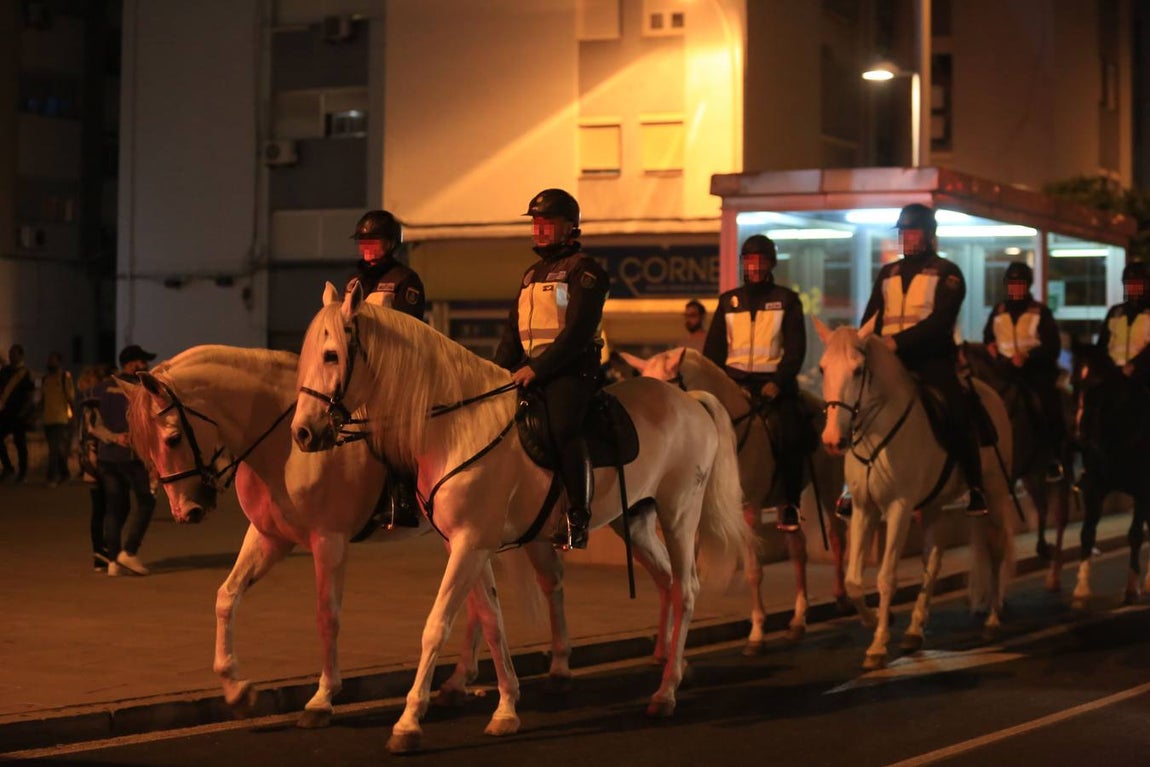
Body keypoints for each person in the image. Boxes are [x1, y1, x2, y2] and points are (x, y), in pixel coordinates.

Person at [494, 188, 610, 550]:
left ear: (570, 227)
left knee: (563, 428)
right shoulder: (530, 274)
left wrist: (539, 369)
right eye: (536, 223)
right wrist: (493, 373)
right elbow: (512, 333)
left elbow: (578, 332)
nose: (539, 230)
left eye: (548, 223)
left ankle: (578, 516)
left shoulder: (585, 271)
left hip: (572, 370)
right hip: (533, 369)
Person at [861, 203, 988, 515]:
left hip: (930, 361)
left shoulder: (948, 273)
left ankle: (975, 486)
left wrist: (897, 342)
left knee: (956, 409)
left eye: (913, 232)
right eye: (903, 232)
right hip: (888, 363)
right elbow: (871, 318)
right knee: (855, 409)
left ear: (930, 235)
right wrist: (862, 344)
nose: (907, 238)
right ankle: (853, 488)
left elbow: (940, 322)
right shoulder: (887, 273)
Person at [703, 234, 808, 532]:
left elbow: (796, 350)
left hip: (773, 387)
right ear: (743, 264)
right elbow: (713, 353)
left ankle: (790, 504)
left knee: (792, 434)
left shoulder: (787, 300)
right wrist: (722, 385)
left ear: (771, 263)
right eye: (750, 261)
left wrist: (778, 382)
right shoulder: (728, 302)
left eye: (761, 261)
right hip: (734, 385)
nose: (755, 267)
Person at [345, 209, 426, 528]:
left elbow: (409, 330)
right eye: (363, 242)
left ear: (391, 244)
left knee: (393, 434)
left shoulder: (405, 281)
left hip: (394, 372)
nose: (367, 248)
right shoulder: (354, 283)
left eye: (374, 241)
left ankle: (404, 498)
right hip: (359, 375)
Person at [982, 261, 1066, 481]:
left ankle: (1054, 458)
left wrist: (1028, 357)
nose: (1016, 289)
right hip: (1004, 372)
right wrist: (990, 345)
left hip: (1033, 374)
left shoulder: (1040, 312)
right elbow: (988, 335)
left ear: (1027, 285)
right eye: (1012, 284)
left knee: (1048, 407)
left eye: (1020, 284)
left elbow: (1052, 346)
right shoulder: (998, 310)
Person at [91, 345, 158, 576]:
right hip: (131, 457)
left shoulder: (102, 388)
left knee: (115, 507)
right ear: (131, 364)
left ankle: (112, 562)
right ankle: (128, 552)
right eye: (142, 361)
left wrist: (111, 438)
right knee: (146, 502)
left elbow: (92, 425)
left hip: (107, 458)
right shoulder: (140, 389)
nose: (146, 365)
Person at [77, 364, 111, 571]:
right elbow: (94, 433)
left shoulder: (86, 406)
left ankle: (100, 553)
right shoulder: (94, 406)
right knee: (107, 508)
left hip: (89, 461)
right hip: (98, 460)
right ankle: (102, 551)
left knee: (99, 509)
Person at [1097, 260, 1150, 388]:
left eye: (1137, 284)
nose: (1132, 288)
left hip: (1143, 381)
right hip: (1114, 379)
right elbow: (1102, 345)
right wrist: (1111, 369)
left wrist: (1135, 365)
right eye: (1129, 284)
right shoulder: (1116, 312)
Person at [0, 344, 36, 483]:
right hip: (5, 412)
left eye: (14, 353)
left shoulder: (25, 373)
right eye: (10, 353)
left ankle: (23, 472)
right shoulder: (5, 371)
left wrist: (24, 412)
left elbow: (30, 395)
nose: (11, 356)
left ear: (20, 355)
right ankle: (8, 468)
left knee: (20, 443)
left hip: (19, 414)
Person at [41, 351, 76, 486]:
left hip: (60, 418)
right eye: (49, 359)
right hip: (47, 418)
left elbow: (70, 398)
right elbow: (43, 398)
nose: (49, 362)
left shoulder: (64, 377)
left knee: (54, 449)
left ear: (59, 362)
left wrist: (73, 416)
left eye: (52, 359)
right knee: (57, 449)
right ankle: (65, 474)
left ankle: (52, 477)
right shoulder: (45, 379)